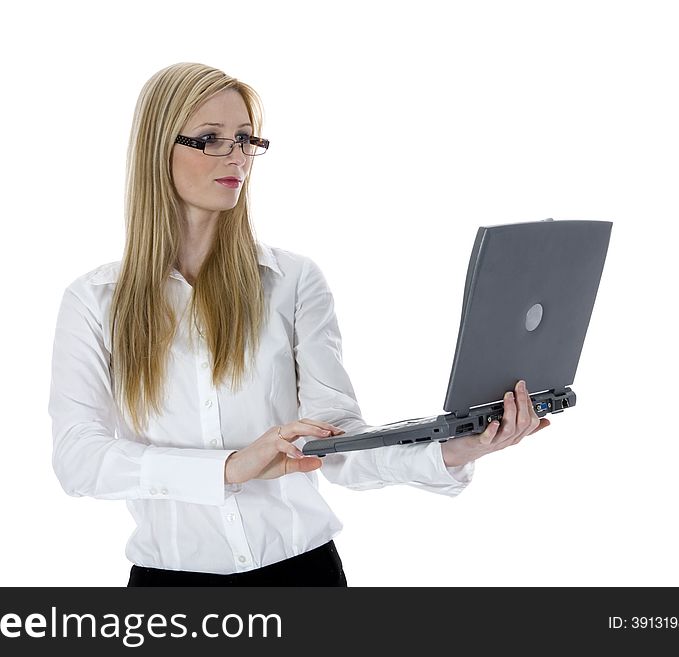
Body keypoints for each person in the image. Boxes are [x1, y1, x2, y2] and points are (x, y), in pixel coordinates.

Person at [47, 62, 551, 587]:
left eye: (245, 138)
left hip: (304, 575)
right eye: (212, 139)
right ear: (157, 150)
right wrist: (230, 467)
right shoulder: (95, 301)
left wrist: (454, 449)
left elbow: (335, 445)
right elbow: (79, 459)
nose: (237, 156)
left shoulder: (290, 282)